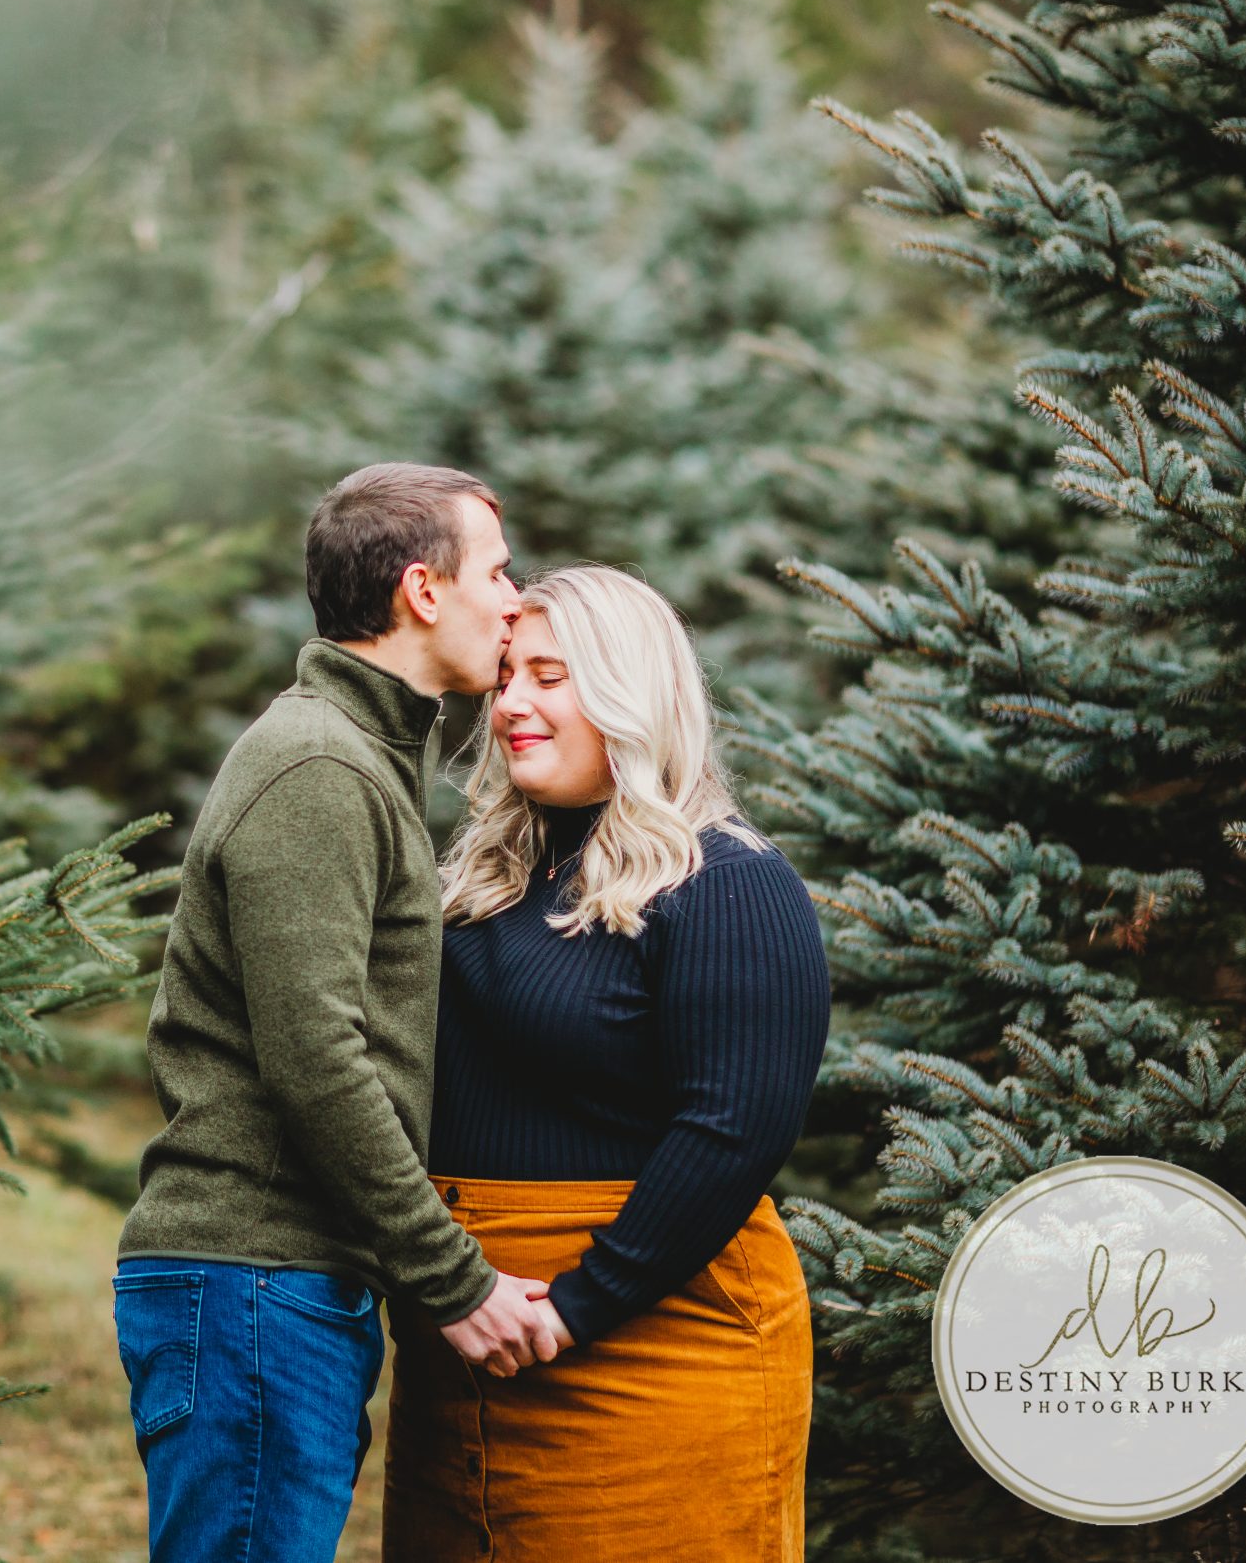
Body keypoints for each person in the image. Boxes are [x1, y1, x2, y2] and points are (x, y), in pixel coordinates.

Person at [114, 463, 564, 1563]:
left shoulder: (357, 755)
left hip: (275, 1289)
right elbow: (315, 1057)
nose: (514, 601)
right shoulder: (318, 764)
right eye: (497, 574)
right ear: (422, 590)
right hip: (253, 1283)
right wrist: (450, 1277)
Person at [385, 563, 831, 1561]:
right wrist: (446, 1282)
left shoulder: (726, 882)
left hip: (645, 1338)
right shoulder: (487, 877)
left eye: (550, 676)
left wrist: (573, 1311)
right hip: (466, 1336)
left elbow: (732, 1130)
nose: (510, 706)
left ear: (631, 692)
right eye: (505, 677)